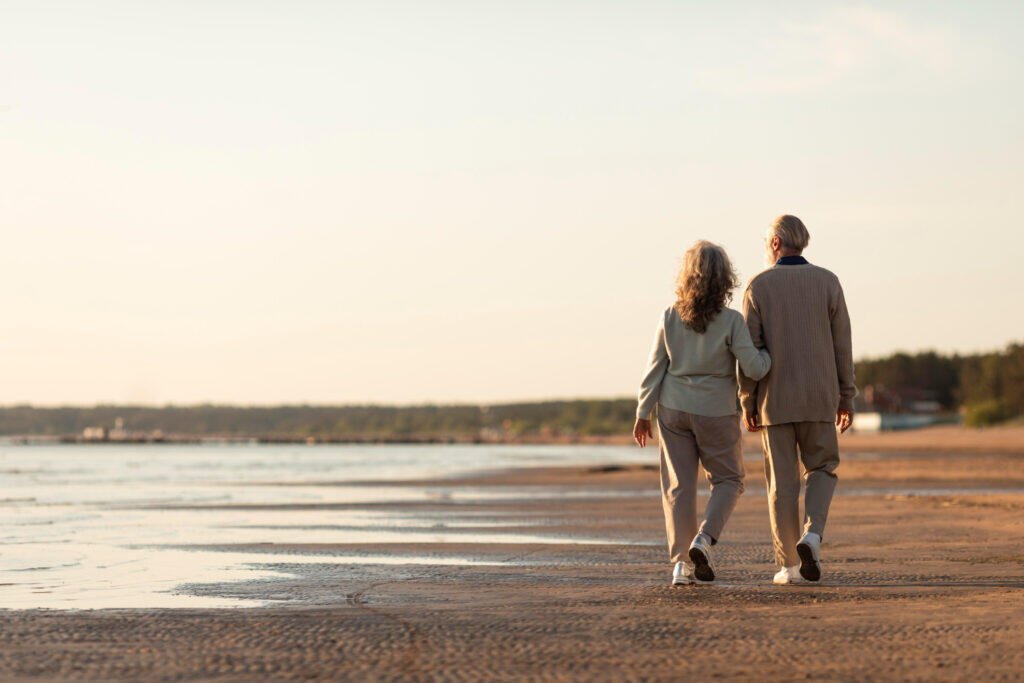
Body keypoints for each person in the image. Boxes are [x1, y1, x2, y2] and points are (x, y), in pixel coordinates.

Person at [634, 240, 771, 586]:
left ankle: (680, 565)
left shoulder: (669, 316)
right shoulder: (731, 321)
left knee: (679, 487)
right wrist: (770, 354)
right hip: (716, 411)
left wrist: (642, 412)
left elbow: (654, 369)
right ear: (725, 279)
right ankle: (704, 539)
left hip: (673, 409)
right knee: (728, 480)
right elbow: (754, 369)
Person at [738, 214, 856, 585]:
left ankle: (789, 566)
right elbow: (843, 345)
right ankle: (813, 535)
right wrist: (846, 396)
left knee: (782, 485)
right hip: (821, 397)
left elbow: (750, 352)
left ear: (775, 243)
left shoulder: (758, 286)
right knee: (822, 469)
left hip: (775, 401)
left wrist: (747, 401)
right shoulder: (828, 282)